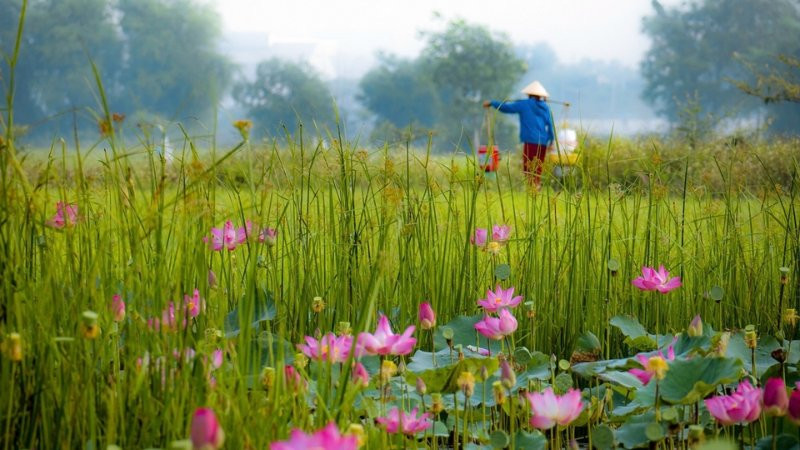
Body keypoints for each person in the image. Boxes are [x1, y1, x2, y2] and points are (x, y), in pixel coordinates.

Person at [483, 81, 554, 187]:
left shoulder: (524, 104)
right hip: (543, 142)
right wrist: (551, 141)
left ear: (529, 94)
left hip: (531, 141)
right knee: (538, 168)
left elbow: (506, 108)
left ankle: (532, 189)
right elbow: (550, 126)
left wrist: (492, 103)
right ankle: (536, 187)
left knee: (528, 167)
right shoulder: (546, 107)